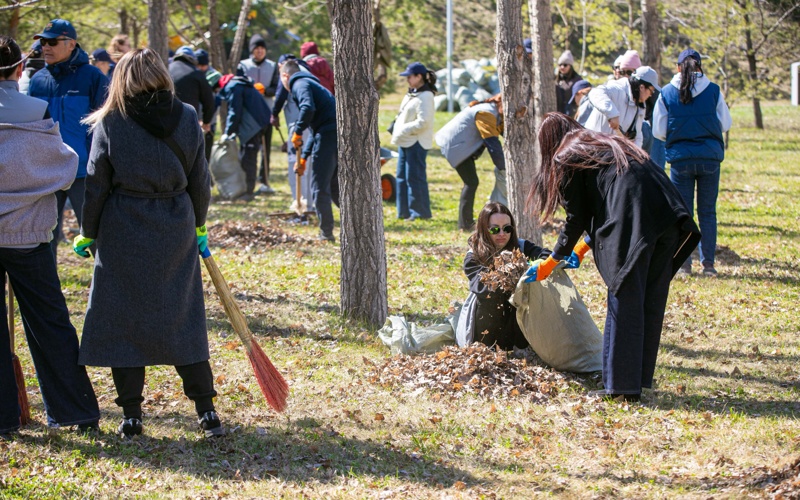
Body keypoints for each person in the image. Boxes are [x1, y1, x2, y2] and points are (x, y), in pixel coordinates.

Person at [74, 48, 223, 438]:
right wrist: (199, 224)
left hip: (124, 226)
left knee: (125, 321)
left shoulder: (110, 121)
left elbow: (96, 183)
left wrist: (88, 231)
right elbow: (200, 181)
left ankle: (131, 415)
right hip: (175, 224)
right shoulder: (188, 116)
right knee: (183, 318)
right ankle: (206, 411)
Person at [525, 113, 701, 402]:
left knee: (625, 296)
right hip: (668, 216)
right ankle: (638, 379)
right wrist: (583, 248)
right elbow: (614, 196)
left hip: (638, 218)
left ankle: (621, 388)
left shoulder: (566, 155)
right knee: (649, 298)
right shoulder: (603, 144)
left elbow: (578, 216)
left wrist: (552, 260)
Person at [0, 35, 100, 437]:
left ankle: (4, 419)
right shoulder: (36, 111)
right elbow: (64, 168)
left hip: (24, 233)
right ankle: (75, 411)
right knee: (50, 322)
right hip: (29, 234)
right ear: (20, 69)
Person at [27, 19, 109, 263]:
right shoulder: (37, 79)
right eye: (42, 42)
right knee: (44, 237)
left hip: (83, 172)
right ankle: (47, 295)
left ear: (71, 44)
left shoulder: (93, 77)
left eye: (52, 41)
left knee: (95, 234)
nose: (45, 47)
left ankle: (108, 290)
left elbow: (106, 124)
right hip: (47, 172)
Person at [653, 48, 732, 276]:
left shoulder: (667, 93)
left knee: (683, 213)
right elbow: (725, 123)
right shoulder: (714, 90)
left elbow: (658, 130)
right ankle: (708, 265)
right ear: (699, 66)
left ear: (678, 67)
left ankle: (685, 265)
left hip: (680, 160)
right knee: (708, 212)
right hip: (709, 158)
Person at [457, 202, 550, 349]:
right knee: (489, 300)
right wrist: (511, 271)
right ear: (484, 230)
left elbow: (546, 255)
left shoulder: (520, 246)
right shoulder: (473, 257)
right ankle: (488, 350)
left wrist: (535, 266)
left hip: (518, 322)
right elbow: (483, 288)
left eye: (507, 228)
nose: (502, 234)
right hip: (488, 326)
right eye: (494, 229)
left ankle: (525, 348)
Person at [280, 59, 339, 242]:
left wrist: (297, 131)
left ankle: (326, 233)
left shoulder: (299, 83)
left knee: (319, 187)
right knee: (335, 187)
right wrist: (304, 157)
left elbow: (308, 108)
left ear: (285, 76)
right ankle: (356, 224)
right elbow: (315, 128)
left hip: (329, 135)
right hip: (333, 133)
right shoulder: (310, 82)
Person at [435, 95, 506, 231]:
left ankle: (465, 222)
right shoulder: (486, 113)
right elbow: (492, 143)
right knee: (471, 182)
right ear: (501, 103)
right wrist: (503, 168)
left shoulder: (493, 111)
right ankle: (465, 224)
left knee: (471, 182)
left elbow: (502, 131)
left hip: (458, 144)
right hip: (455, 145)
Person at [391, 62, 435, 221]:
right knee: (401, 177)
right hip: (405, 141)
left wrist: (403, 129)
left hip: (416, 142)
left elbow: (424, 122)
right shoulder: (411, 94)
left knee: (414, 178)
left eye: (410, 76)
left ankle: (420, 213)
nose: (407, 79)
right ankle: (404, 212)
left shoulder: (426, 96)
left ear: (419, 77)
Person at [271, 54, 314, 217]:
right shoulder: (308, 72)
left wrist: (274, 114)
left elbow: (281, 95)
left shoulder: (290, 75)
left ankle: (300, 208)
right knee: (308, 165)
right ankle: (310, 206)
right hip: (311, 125)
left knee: (295, 165)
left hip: (298, 125)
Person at [577, 65, 660, 149]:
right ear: (642, 87)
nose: (650, 95)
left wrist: (636, 151)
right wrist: (612, 113)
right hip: (592, 145)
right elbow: (595, 93)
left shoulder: (640, 106)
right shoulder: (618, 89)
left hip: (610, 152)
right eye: (651, 91)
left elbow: (638, 136)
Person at [218, 72, 271, 202]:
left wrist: (228, 132)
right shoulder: (244, 85)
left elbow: (234, 111)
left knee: (248, 158)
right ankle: (246, 188)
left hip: (252, 126)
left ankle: (248, 192)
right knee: (248, 156)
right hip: (262, 122)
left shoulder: (233, 87)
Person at [238, 34, 278, 194]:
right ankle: (246, 179)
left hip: (267, 111)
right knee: (247, 149)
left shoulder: (272, 66)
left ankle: (265, 179)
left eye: (262, 49)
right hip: (249, 114)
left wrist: (266, 91)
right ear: (252, 51)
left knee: (266, 148)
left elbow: (277, 87)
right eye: (257, 49)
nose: (260, 51)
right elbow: (239, 84)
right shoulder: (243, 65)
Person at [169, 46, 215, 136]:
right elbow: (209, 101)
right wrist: (206, 121)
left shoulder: (165, 70)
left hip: (165, 121)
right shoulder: (196, 74)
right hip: (188, 122)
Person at [555, 50, 582, 115]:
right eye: (560, 65)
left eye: (565, 65)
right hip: (557, 113)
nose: (562, 67)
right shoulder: (555, 79)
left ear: (570, 66)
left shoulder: (577, 80)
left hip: (571, 114)